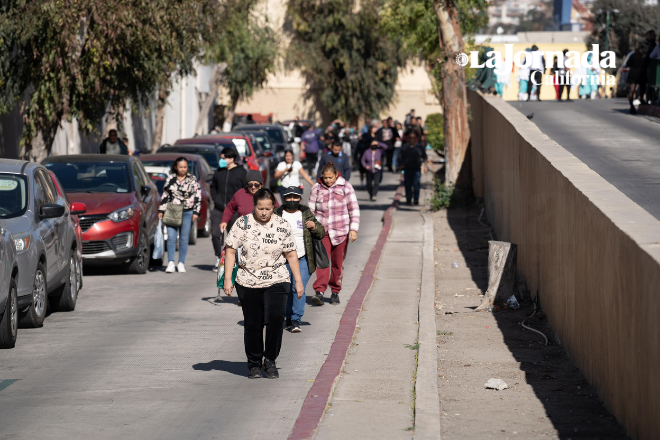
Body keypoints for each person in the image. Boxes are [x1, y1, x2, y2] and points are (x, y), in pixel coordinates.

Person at [222, 188, 304, 379]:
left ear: (273, 207)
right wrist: (228, 279)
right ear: (254, 206)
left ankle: (270, 360)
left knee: (275, 320)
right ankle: (254, 364)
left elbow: (291, 254)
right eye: (260, 208)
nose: (264, 213)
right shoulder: (242, 223)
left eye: (268, 208)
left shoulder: (282, 225)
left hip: (277, 278)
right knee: (253, 324)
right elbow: (231, 250)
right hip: (248, 280)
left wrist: (298, 282)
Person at [274, 186, 325, 333]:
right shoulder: (277, 213)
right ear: (284, 199)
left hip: (303, 258)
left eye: (295, 197)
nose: (291, 200)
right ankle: (288, 318)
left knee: (298, 286)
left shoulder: (306, 213)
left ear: (300, 199)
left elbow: (321, 233)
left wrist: (314, 227)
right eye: (288, 197)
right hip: (282, 259)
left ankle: (296, 319)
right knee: (287, 289)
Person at [309, 162, 360, 306]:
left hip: (341, 232)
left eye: (330, 178)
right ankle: (319, 292)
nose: (328, 181)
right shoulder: (316, 188)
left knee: (338, 264)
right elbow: (310, 210)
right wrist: (311, 227)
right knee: (322, 262)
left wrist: (353, 229)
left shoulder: (345, 187)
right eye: (325, 178)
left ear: (336, 175)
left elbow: (353, 209)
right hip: (322, 232)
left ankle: (335, 291)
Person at [158, 157, 201, 273]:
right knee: (171, 238)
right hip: (171, 211)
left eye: (185, 167)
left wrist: (196, 212)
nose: (183, 169)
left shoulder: (192, 179)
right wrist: (161, 210)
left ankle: (181, 263)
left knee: (184, 239)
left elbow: (198, 195)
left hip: (188, 212)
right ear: (176, 167)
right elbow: (165, 195)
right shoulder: (170, 178)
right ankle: (171, 262)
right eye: (180, 167)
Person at [210, 147, 247, 270]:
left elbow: (245, 190)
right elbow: (213, 186)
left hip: (234, 211)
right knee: (215, 233)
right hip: (219, 209)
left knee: (234, 237)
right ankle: (218, 257)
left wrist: (240, 204)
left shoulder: (241, 172)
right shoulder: (219, 171)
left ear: (231, 159)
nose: (221, 160)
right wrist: (216, 198)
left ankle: (234, 260)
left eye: (223, 158)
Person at [220, 170, 279, 234]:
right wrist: (224, 221)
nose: (253, 187)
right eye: (250, 185)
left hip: (264, 231)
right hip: (244, 232)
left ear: (261, 184)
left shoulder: (267, 194)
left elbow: (277, 210)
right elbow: (230, 208)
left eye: (256, 185)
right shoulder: (240, 194)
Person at [399, 130, 427, 206]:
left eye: (413, 138)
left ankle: (416, 199)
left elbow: (424, 157)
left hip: (416, 169)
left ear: (416, 139)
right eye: (410, 138)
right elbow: (400, 158)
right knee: (407, 185)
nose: (411, 139)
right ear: (407, 139)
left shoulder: (419, 147)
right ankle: (408, 199)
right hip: (407, 169)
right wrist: (401, 165)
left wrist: (425, 167)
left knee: (416, 184)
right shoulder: (404, 147)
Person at [640, 30, 657, 104]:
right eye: (651, 35)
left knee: (652, 83)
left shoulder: (655, 45)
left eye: (653, 35)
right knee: (643, 83)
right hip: (644, 66)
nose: (652, 37)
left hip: (653, 67)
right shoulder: (643, 44)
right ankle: (642, 98)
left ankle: (652, 97)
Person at [626, 45, 644, 114]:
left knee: (631, 90)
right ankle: (642, 100)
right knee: (642, 88)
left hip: (633, 73)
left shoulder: (633, 55)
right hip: (641, 74)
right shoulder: (645, 57)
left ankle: (631, 106)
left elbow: (628, 64)